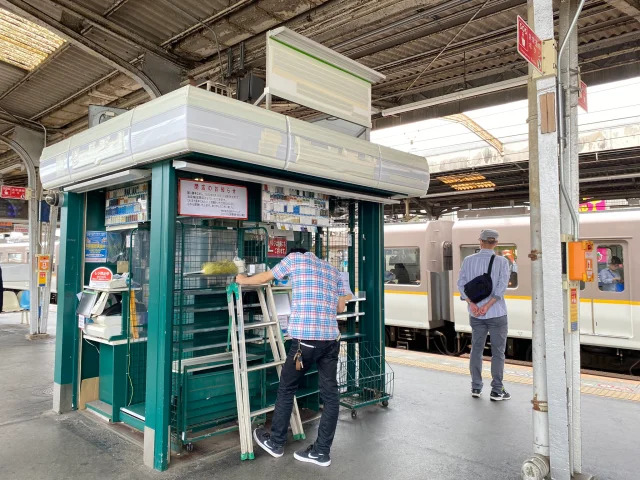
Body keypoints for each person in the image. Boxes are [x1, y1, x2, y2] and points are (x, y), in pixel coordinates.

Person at [236, 247, 352, 467]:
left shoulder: (295, 260)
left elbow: (265, 277)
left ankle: (276, 442)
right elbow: (340, 307)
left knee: (287, 388)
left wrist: (242, 279)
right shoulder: (332, 269)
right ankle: (321, 452)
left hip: (304, 342)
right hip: (330, 342)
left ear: (294, 254)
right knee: (330, 396)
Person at [457, 229, 511, 401]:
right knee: (498, 353)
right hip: (497, 314)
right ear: (496, 243)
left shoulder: (468, 260)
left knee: (476, 350)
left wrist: (472, 304)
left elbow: (461, 284)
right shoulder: (502, 261)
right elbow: (501, 288)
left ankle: (476, 387)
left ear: (480, 241)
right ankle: (497, 390)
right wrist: (488, 305)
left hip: (476, 315)